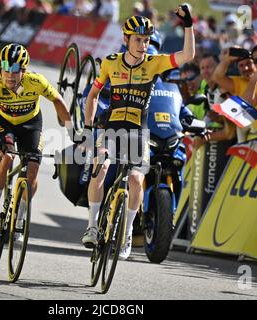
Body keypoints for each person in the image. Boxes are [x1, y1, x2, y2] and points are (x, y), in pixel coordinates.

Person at [80, 6, 195, 260]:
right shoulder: (110, 63)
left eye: (145, 40)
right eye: (138, 40)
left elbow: (187, 55)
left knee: (135, 178)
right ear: (126, 40)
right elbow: (92, 95)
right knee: (100, 166)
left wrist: (188, 25)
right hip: (112, 127)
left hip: (138, 131)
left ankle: (129, 230)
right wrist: (89, 130)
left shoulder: (154, 64)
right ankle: (91, 225)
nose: (143, 45)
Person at [0, 43, 72, 236]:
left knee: (33, 167)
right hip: (4, 124)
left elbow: (57, 100)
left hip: (30, 124)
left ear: (24, 70)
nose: (9, 75)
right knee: (6, 157)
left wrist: (72, 130)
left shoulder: (36, 81)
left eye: (15, 70)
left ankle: (20, 216)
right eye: (5, 69)